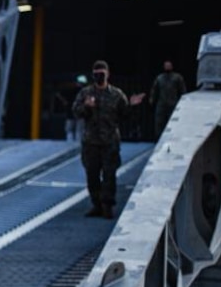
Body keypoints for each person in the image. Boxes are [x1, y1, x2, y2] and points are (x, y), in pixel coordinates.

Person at [72, 60, 144, 219]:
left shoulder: (116, 94)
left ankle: (107, 205)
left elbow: (125, 115)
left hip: (110, 141)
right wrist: (86, 107)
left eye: (101, 74)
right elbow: (76, 112)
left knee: (109, 175)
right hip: (91, 142)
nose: (99, 77)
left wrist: (132, 105)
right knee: (92, 175)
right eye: (96, 74)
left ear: (107, 74)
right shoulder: (86, 93)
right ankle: (96, 204)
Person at [148, 59, 186, 140]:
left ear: (172, 66)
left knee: (173, 122)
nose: (167, 67)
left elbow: (182, 90)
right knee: (159, 122)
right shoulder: (160, 78)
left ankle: (173, 138)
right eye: (166, 65)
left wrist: (183, 101)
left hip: (173, 103)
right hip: (162, 103)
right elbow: (154, 90)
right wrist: (152, 99)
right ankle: (158, 138)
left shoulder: (177, 77)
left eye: (169, 65)